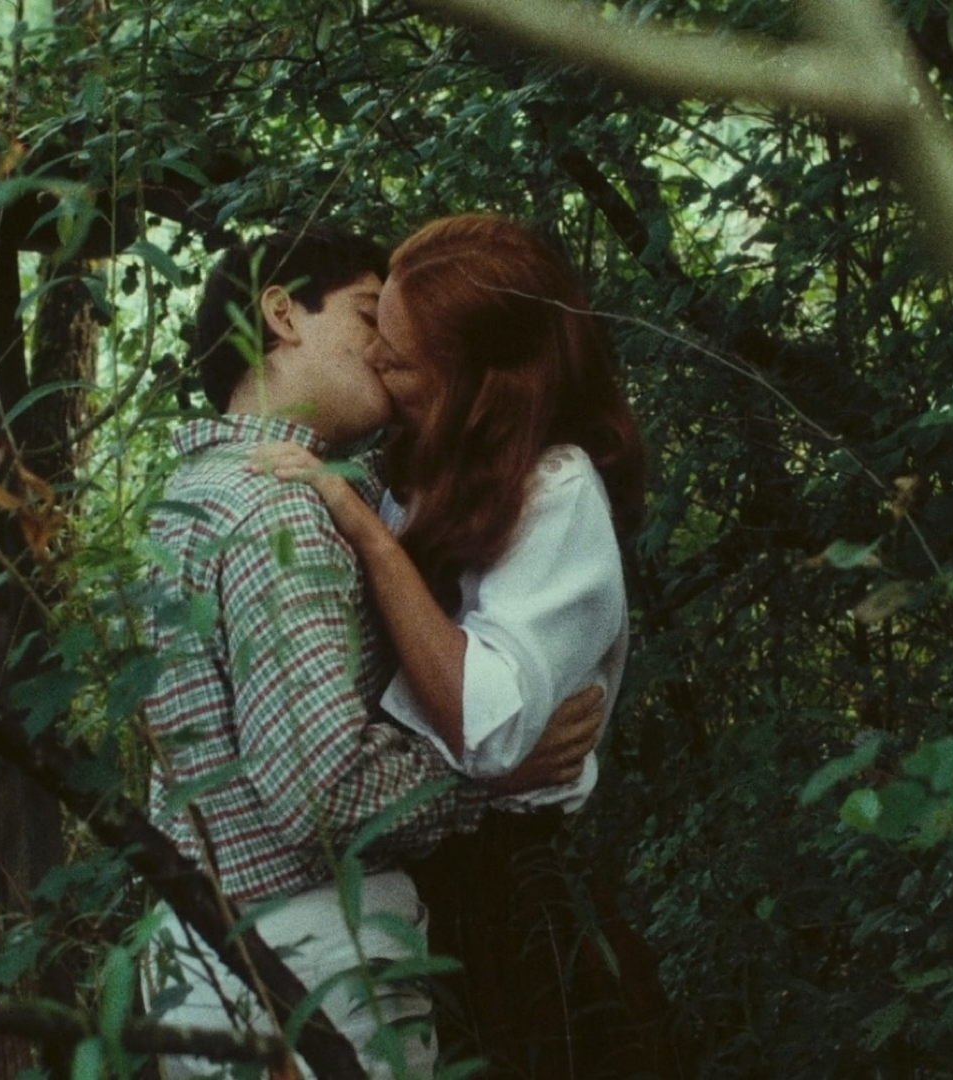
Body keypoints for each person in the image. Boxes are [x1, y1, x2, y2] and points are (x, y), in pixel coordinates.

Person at [138, 226, 604, 1079]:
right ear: (283, 314)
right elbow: (322, 797)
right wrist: (497, 776)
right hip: (307, 964)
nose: (389, 350)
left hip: (205, 958)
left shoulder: (189, 495)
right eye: (367, 316)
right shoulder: (280, 507)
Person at [257, 213, 670, 1077]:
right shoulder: (419, 468)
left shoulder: (558, 492)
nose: (374, 360)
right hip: (418, 878)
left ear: (484, 385)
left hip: (508, 895)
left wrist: (371, 540)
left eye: (402, 360)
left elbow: (487, 726)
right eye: (376, 331)